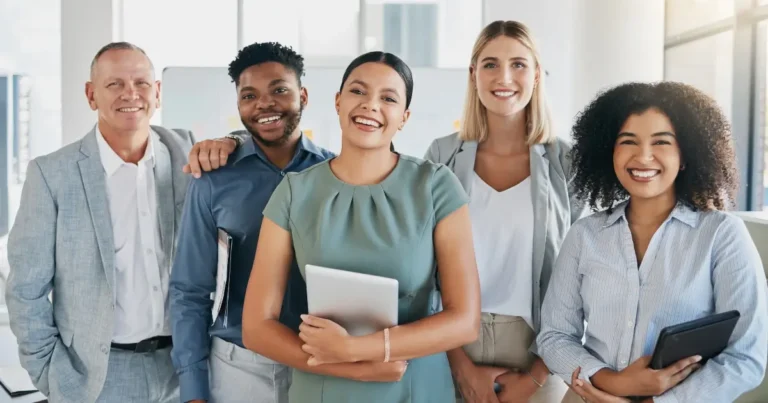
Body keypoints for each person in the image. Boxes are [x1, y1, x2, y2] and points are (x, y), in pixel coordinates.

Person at [240, 51, 481, 402]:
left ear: (404, 117)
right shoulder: (294, 191)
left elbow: (464, 320)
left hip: (413, 385)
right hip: (323, 385)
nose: (370, 105)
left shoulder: (435, 186)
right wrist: (355, 364)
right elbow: (257, 329)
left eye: (388, 98)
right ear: (338, 102)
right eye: (358, 91)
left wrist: (360, 348)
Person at [3, 42, 237, 403]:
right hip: (97, 377)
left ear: (157, 93)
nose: (131, 94)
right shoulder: (52, 175)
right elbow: (25, 291)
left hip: (185, 369)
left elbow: (247, 148)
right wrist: (52, 374)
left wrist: (231, 140)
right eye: (114, 84)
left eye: (142, 83)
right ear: (91, 94)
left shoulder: (189, 154)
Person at [537, 82, 768, 403]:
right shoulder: (584, 235)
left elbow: (746, 356)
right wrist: (613, 383)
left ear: (685, 154)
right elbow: (554, 335)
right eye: (628, 141)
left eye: (661, 142)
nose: (643, 156)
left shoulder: (722, 234)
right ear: (609, 152)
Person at [424, 20, 581, 403]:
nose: (504, 77)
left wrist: (537, 375)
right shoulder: (441, 157)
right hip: (452, 344)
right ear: (473, 74)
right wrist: (460, 365)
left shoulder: (567, 162)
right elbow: (422, 270)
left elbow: (581, 276)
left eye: (519, 64)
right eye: (491, 64)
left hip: (538, 350)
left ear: (538, 74)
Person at [169, 42, 334, 403]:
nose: (265, 104)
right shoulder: (212, 179)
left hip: (321, 363)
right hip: (236, 367)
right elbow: (189, 291)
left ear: (302, 95)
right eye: (249, 95)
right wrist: (194, 388)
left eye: (279, 90)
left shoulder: (336, 174)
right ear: (239, 105)